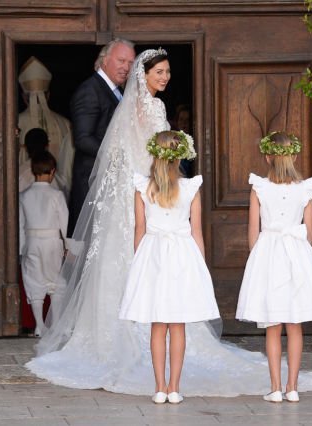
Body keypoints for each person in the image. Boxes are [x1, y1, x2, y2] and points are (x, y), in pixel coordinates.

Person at [25, 49, 312, 396]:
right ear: (145, 74)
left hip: (159, 187)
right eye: (160, 72)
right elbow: (129, 150)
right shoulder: (144, 106)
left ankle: (166, 381)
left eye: (169, 71)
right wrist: (157, 180)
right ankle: (153, 367)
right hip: (153, 190)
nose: (165, 77)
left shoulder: (155, 106)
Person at [119, 130, 220, 404]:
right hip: (182, 255)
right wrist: (200, 267)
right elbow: (196, 232)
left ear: (155, 155)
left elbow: (139, 232)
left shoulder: (143, 188)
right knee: (177, 325)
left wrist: (139, 265)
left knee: (158, 324)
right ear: (179, 157)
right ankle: (175, 387)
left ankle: (159, 387)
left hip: (153, 255)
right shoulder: (190, 189)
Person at [236, 131, 312, 403]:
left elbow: (253, 234)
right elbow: (310, 233)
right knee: (295, 324)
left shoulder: (259, 188)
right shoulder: (305, 188)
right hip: (296, 255)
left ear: (267, 156)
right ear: (295, 156)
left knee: (273, 325)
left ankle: (275, 387)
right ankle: (293, 388)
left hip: (269, 255)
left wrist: (259, 260)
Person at [68, 38, 136, 236]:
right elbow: (83, 139)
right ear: (105, 60)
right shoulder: (90, 91)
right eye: (121, 61)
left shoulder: (116, 91)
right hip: (94, 183)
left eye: (130, 63)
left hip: (113, 183)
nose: (126, 67)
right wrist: (119, 156)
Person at [19, 150, 69, 337]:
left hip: (31, 241)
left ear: (32, 171)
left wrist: (21, 248)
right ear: (53, 171)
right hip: (52, 242)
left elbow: (20, 224)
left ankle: (40, 325)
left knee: (34, 281)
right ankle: (54, 324)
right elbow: (64, 222)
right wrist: (66, 244)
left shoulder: (24, 195)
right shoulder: (57, 195)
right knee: (55, 281)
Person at [18, 57, 74, 198]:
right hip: (57, 190)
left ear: (24, 97)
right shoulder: (64, 123)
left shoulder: (13, 122)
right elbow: (69, 168)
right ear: (48, 95)